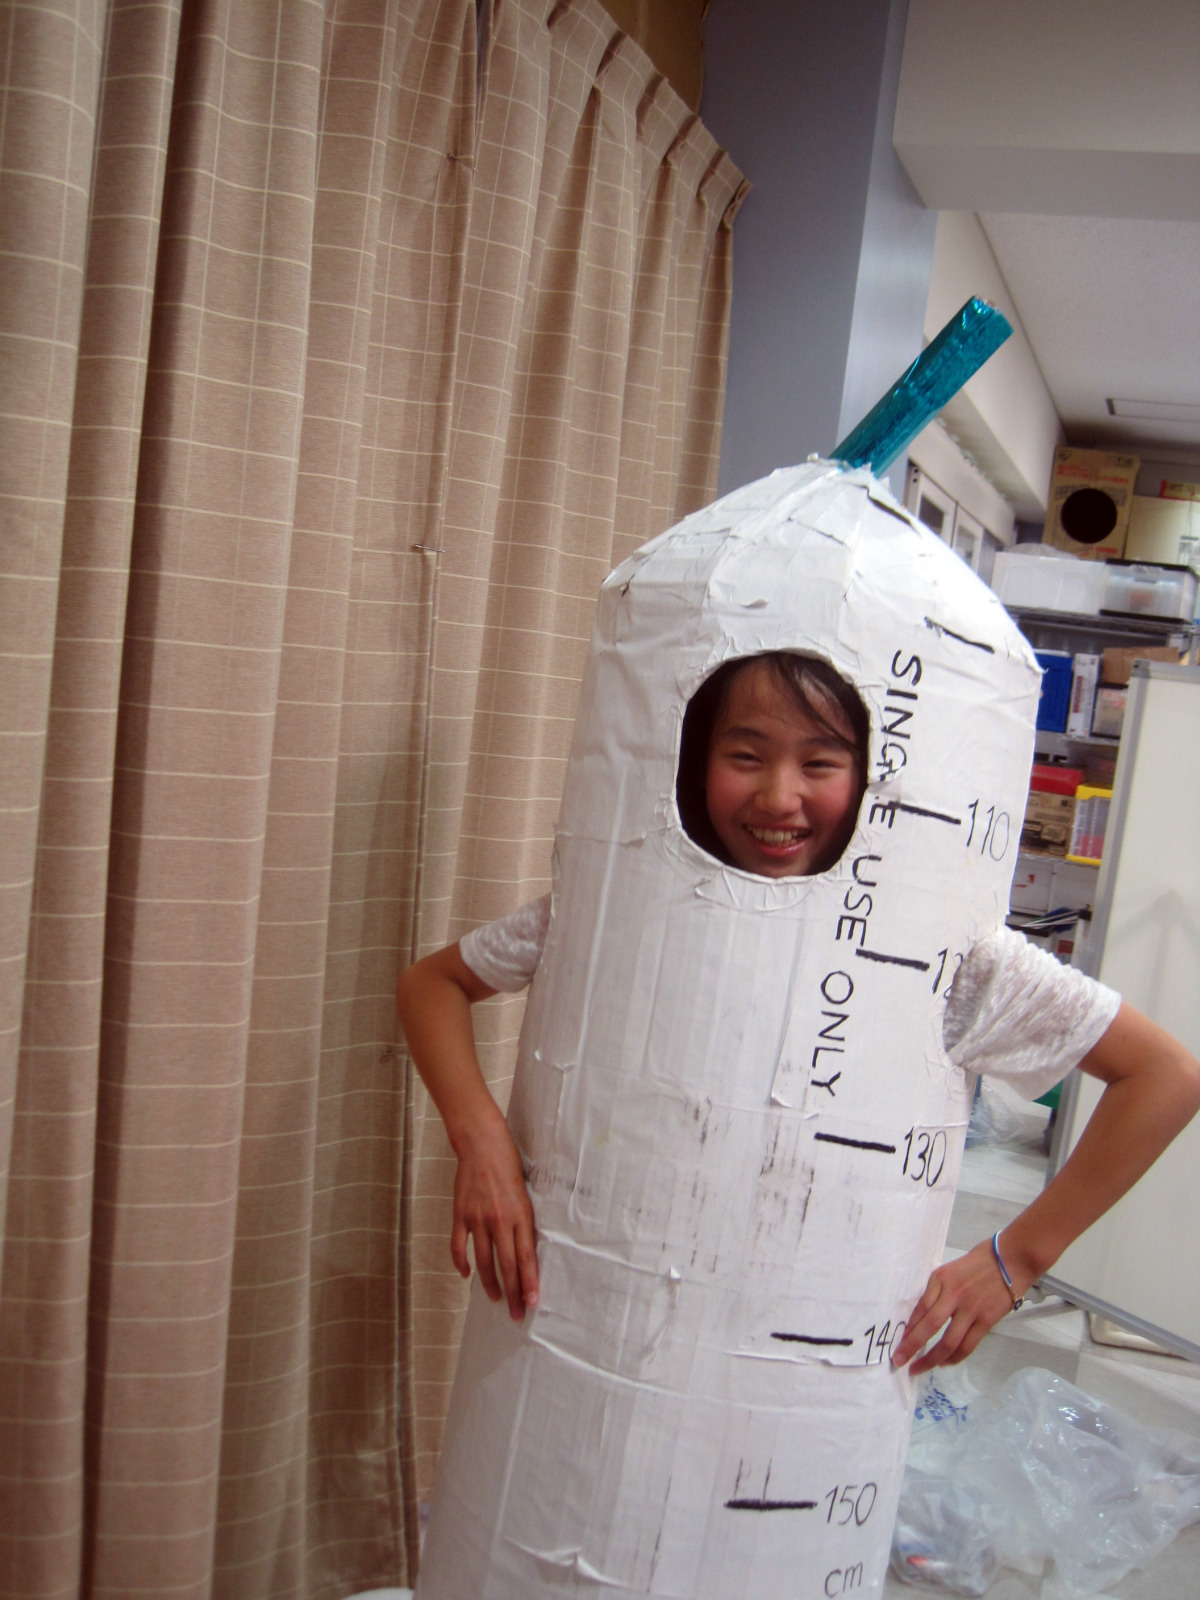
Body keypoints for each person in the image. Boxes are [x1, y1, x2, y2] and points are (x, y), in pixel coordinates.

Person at [396, 651, 1200, 1379]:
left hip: (809, 1377)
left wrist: (1017, 1256)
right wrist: (482, 1142)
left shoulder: (947, 953)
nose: (779, 797)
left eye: (821, 762)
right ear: (697, 761)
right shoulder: (619, 906)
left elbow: (1165, 1076)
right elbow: (432, 985)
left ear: (872, 775)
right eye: (745, 756)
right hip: (587, 1327)